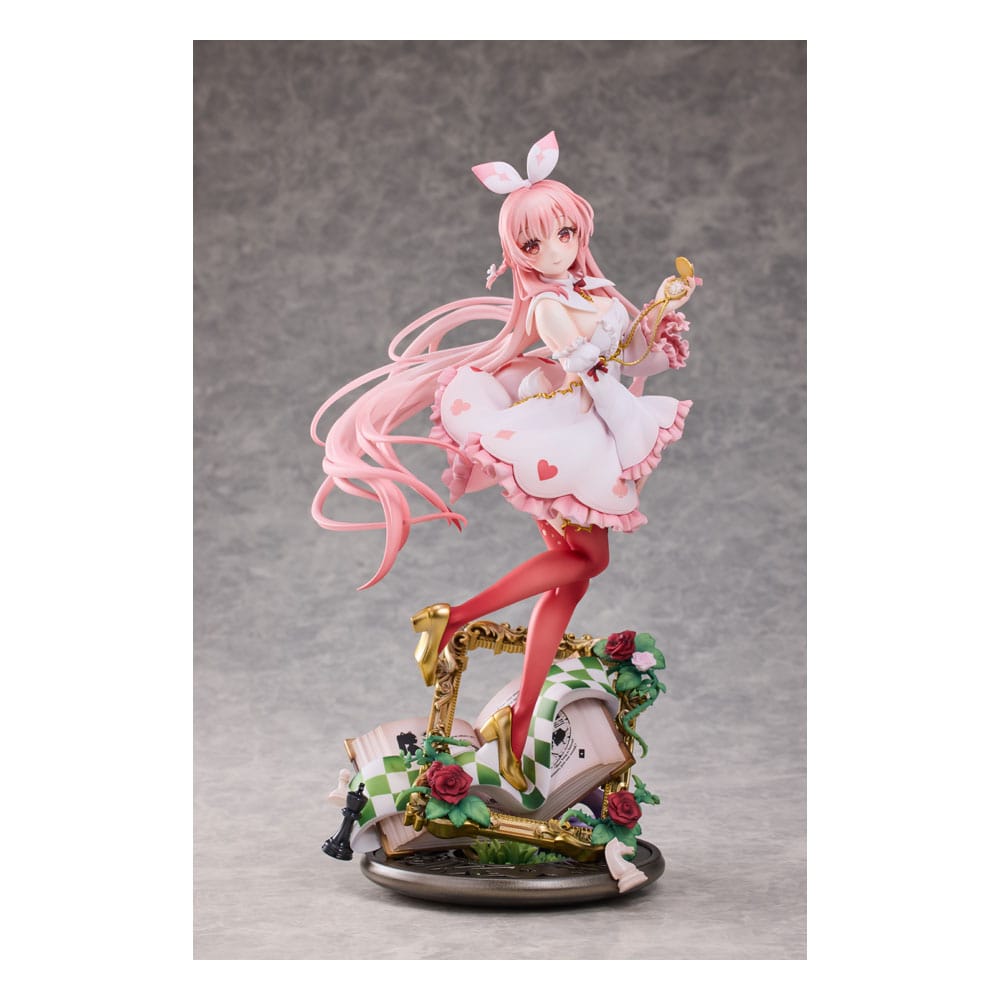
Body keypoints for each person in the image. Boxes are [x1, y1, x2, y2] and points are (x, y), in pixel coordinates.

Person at [311, 132, 698, 791]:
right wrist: (624, 336)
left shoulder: (592, 288)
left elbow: (636, 357)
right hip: (562, 437)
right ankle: (455, 618)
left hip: (589, 424)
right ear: (517, 252)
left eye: (564, 233)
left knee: (571, 582)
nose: (555, 250)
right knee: (589, 561)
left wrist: (660, 313)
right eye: (534, 243)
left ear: (580, 229)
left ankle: (517, 732)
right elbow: (586, 361)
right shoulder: (548, 304)